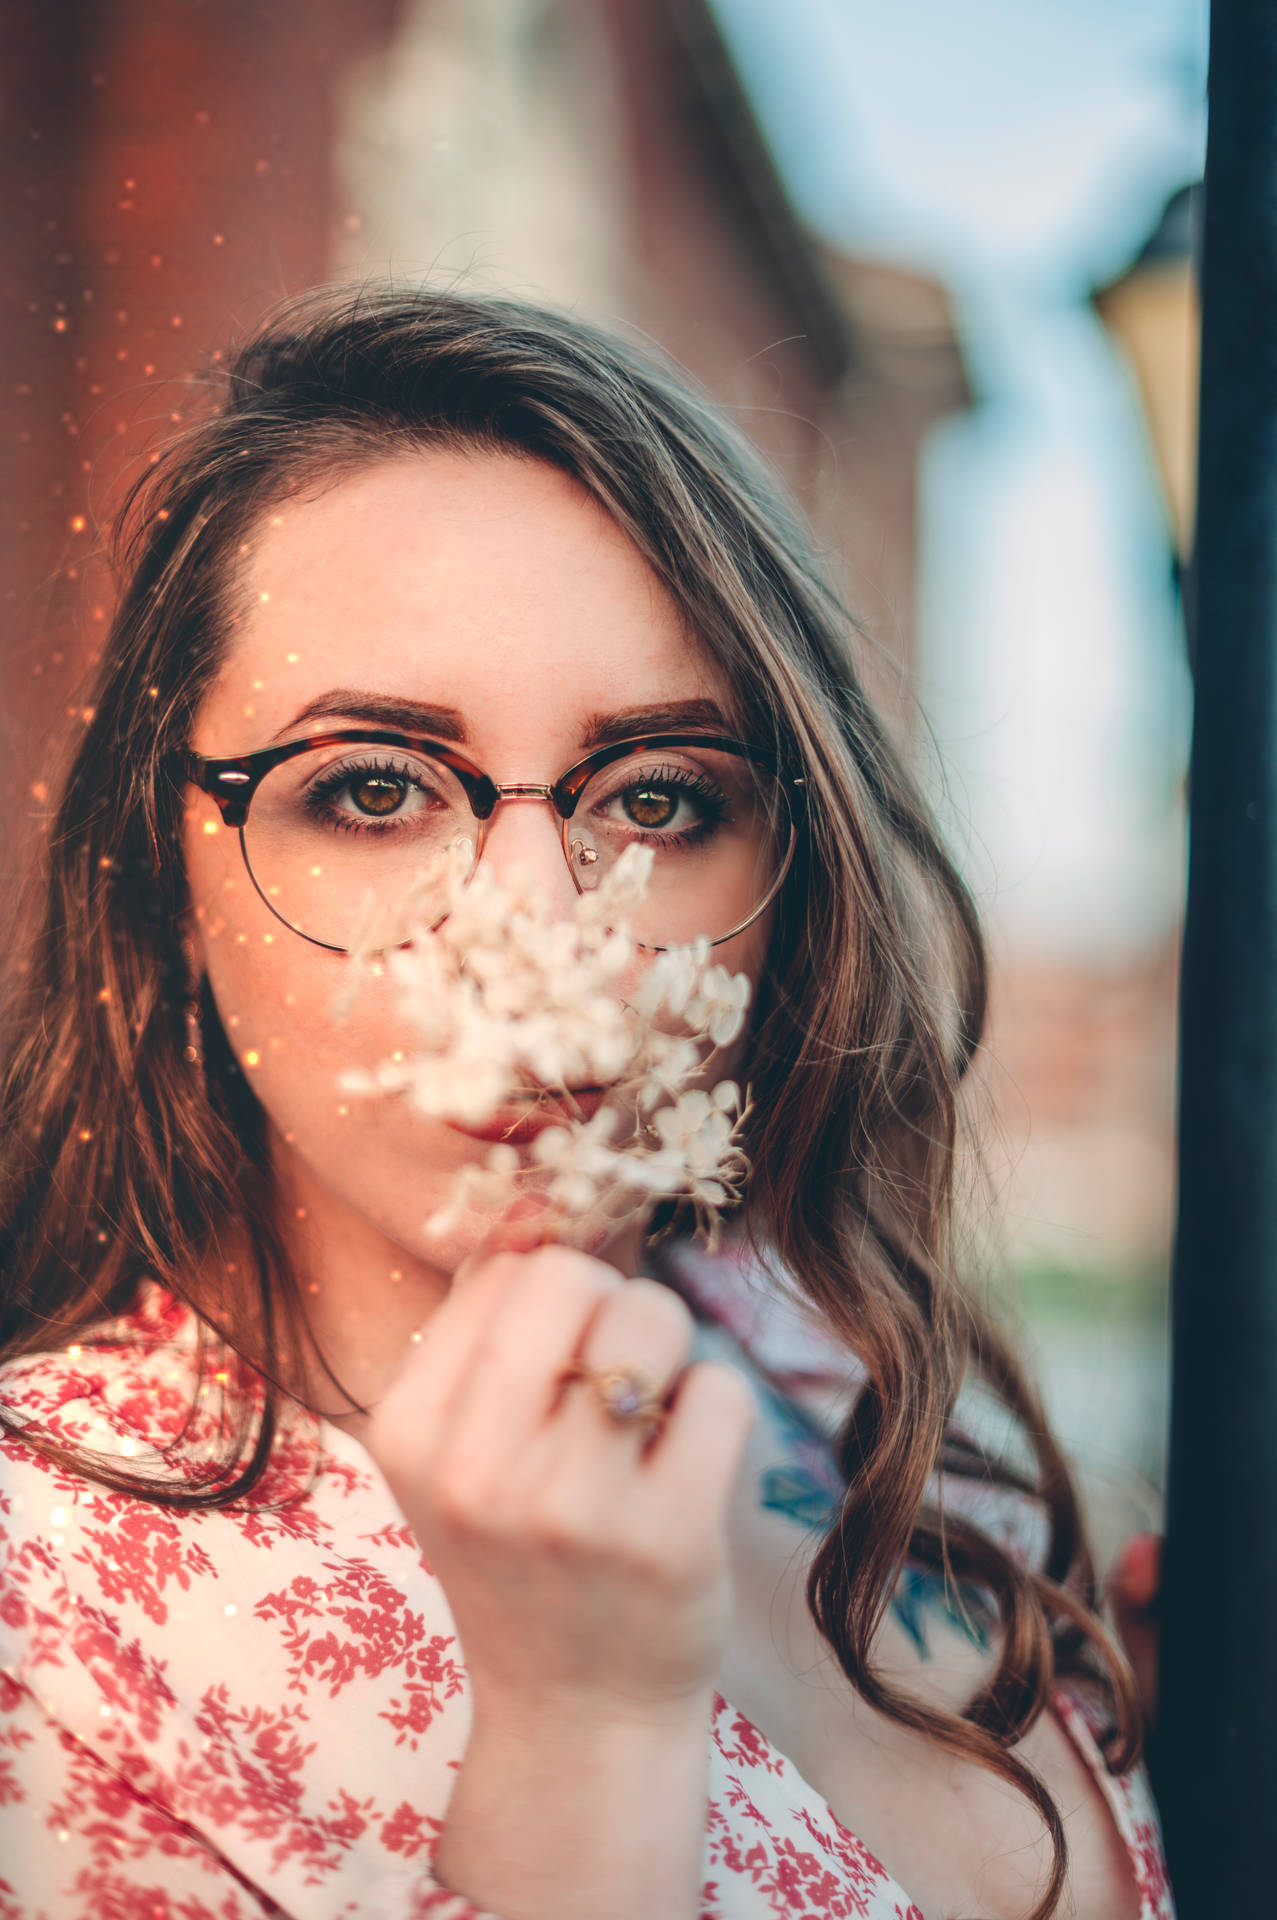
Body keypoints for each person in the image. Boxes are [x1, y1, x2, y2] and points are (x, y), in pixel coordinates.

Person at [0, 286, 1171, 1920]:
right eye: (375, 789)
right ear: (168, 870)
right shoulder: (49, 1621)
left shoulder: (823, 1365)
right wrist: (580, 1746)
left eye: (661, 797)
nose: (542, 936)